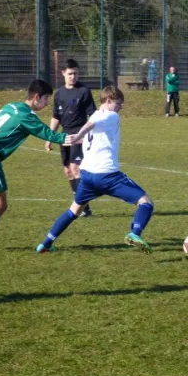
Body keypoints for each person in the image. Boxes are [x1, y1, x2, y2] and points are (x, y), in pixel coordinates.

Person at [36, 86, 154, 254]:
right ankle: (135, 234)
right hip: (107, 175)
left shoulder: (96, 114)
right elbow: (91, 125)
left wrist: (73, 139)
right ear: (108, 101)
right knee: (146, 203)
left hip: (87, 176)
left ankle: (45, 243)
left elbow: (90, 132)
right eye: (119, 103)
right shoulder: (111, 116)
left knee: (73, 211)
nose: (121, 107)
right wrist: (77, 136)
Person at [0, 80, 75, 254]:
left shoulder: (12, 106)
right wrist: (74, 138)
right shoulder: (27, 116)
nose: (46, 104)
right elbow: (49, 134)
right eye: (46, 99)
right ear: (37, 97)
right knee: (0, 205)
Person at [46, 58, 97, 216]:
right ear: (63, 73)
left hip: (79, 134)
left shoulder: (84, 91)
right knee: (68, 170)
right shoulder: (59, 93)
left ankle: (82, 207)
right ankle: (84, 208)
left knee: (76, 169)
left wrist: (85, 135)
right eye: (70, 74)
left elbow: (93, 116)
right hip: (64, 135)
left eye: (75, 73)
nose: (73, 77)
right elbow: (56, 117)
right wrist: (49, 137)